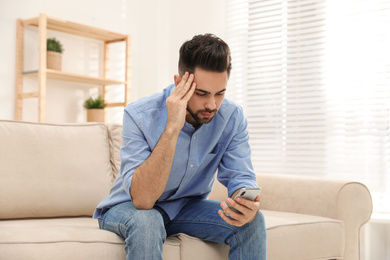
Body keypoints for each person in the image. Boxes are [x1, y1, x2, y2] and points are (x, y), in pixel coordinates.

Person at [93, 33, 267, 260]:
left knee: (253, 222)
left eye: (220, 93)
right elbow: (143, 201)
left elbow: (240, 176)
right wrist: (172, 128)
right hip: (131, 208)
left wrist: (245, 202)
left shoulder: (232, 118)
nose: (212, 104)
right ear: (179, 83)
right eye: (202, 93)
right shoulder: (139, 115)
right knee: (149, 220)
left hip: (186, 208)